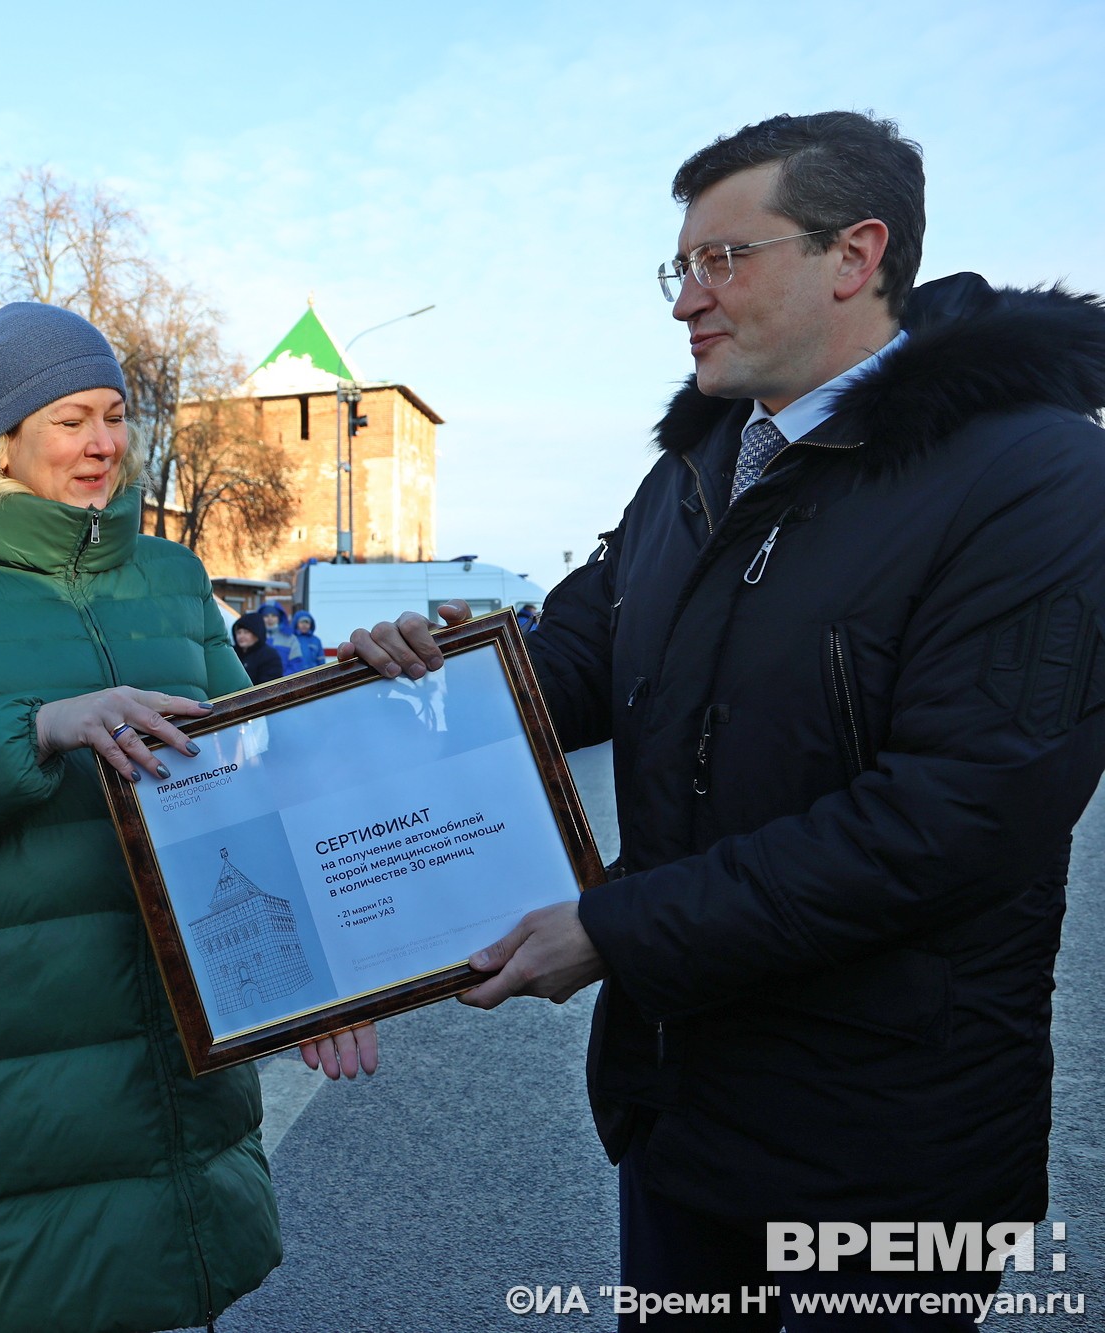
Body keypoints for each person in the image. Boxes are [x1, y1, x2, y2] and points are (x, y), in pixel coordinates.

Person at [357, 112, 1105, 1329]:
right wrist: (413, 687)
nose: (682, 301)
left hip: (882, 1151)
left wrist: (615, 931)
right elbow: (578, 658)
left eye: (722, 259)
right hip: (681, 1111)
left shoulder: (1033, 473)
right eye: (680, 265)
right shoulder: (698, 464)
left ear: (853, 257)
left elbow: (950, 818)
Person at [0, 302, 381, 1333]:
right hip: (1, 1056)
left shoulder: (169, 576)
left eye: (115, 415)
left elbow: (248, 785)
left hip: (172, 1038)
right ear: (2, 436)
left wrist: (314, 973)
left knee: (171, 1291)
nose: (105, 443)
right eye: (71, 417)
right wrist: (36, 731)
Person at [230, 609, 284, 685]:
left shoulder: (269, 656)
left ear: (257, 634)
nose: (241, 636)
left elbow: (270, 687)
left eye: (246, 632)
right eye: (239, 632)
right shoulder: (232, 653)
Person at [257, 599, 301, 672]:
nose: (270, 619)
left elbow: (296, 664)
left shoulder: (290, 638)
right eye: (266, 616)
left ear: (279, 618)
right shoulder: (253, 637)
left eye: (274, 615)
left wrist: (283, 681)